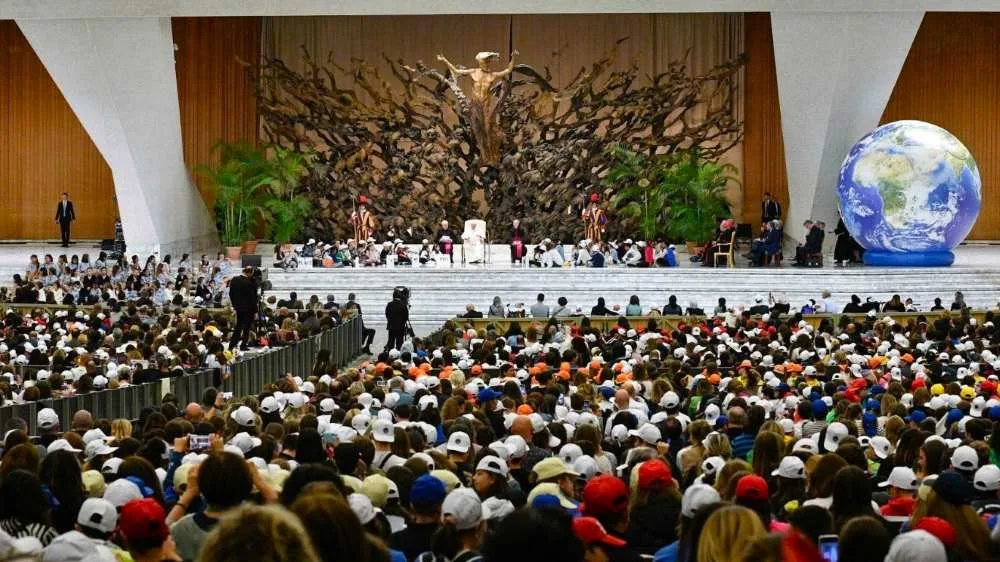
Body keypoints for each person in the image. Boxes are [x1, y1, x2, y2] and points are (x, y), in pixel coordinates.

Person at [228, 267, 258, 350]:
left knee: (238, 327)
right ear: (249, 273)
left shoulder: (234, 280)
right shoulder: (249, 283)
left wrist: (235, 305)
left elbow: (231, 294)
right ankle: (243, 344)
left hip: (238, 307)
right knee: (246, 327)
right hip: (248, 308)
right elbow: (253, 298)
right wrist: (255, 311)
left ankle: (232, 345)